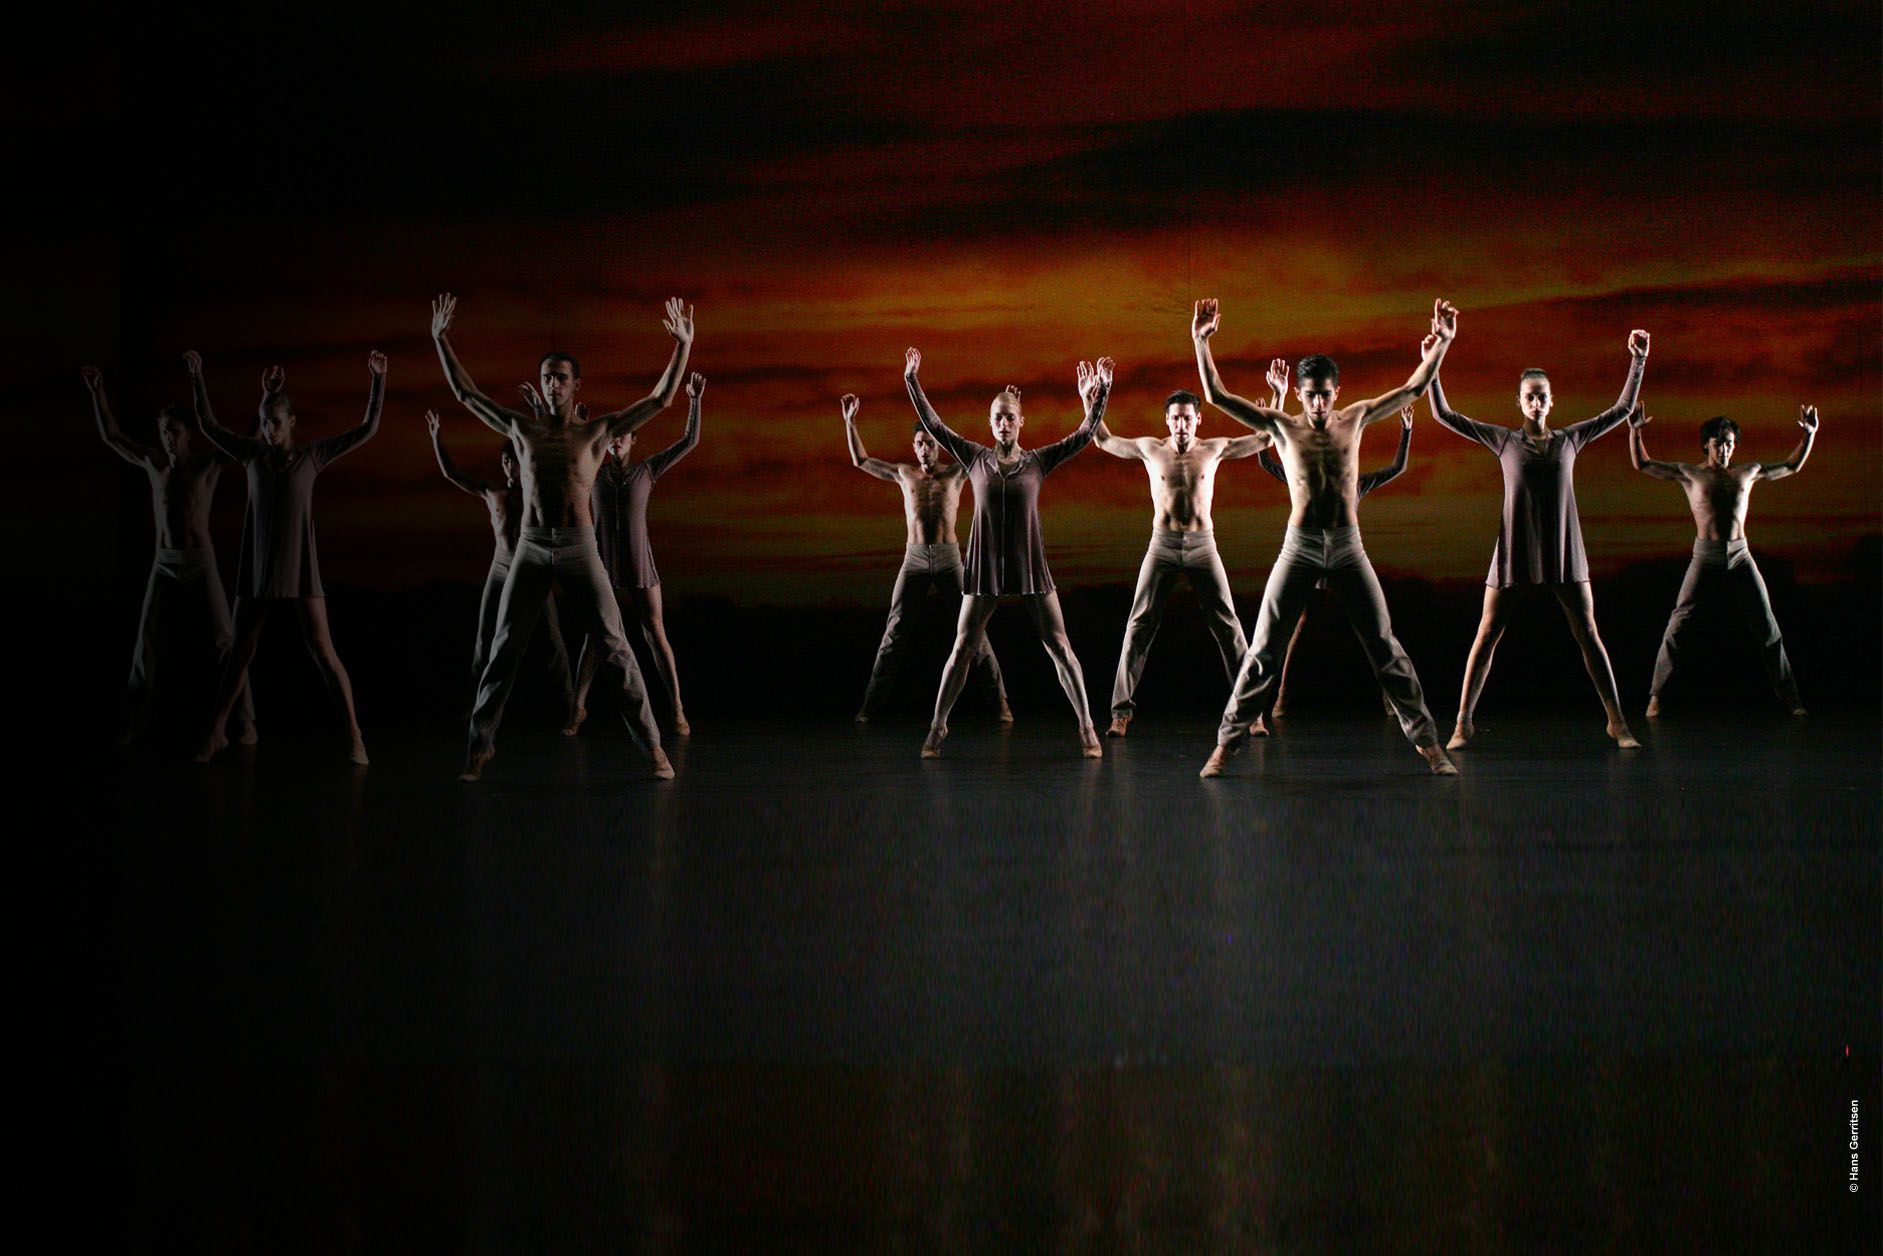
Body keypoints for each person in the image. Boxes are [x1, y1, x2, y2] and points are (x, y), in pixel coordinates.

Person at [1191, 298, 1458, 779]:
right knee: (1264, 650)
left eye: (1325, 395)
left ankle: (1429, 745)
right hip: (1300, 546)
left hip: (1349, 545)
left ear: (1337, 392)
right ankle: (1226, 745)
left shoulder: (1355, 417)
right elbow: (1216, 396)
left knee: (1384, 645)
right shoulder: (1281, 425)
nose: (1318, 404)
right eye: (1311, 395)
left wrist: (1442, 342)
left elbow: (1414, 388)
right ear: (1298, 394)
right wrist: (1200, 340)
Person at [431, 291, 693, 781]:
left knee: (615, 646)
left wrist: (683, 345)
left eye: (561, 378)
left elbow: (660, 400)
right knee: (504, 648)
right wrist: (440, 339)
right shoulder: (522, 430)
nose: (553, 384)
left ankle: (654, 749)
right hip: (531, 547)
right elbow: (467, 396)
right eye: (547, 377)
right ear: (541, 384)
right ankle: (478, 750)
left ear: (576, 386)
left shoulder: (597, 432)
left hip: (580, 548)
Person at [1426, 328, 1650, 749]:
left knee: (1588, 633)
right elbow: (1444, 415)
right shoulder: (1504, 440)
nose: (1536, 402)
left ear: (1551, 400)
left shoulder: (1570, 439)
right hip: (1516, 548)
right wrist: (1434, 361)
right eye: (1529, 396)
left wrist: (1638, 360)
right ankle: (1461, 724)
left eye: (1542, 396)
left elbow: (1621, 410)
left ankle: (1617, 723)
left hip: (1564, 547)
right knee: (1487, 634)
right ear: (1519, 401)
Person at [904, 348, 1110, 759]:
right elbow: (935, 425)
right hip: (984, 568)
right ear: (990, 422)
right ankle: (937, 729)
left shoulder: (1037, 462)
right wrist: (912, 380)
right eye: (997, 417)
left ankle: (1087, 728)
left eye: (1010, 417)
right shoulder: (974, 457)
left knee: (1059, 646)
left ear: (1020, 422)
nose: (1003, 424)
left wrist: (1101, 393)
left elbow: (1084, 434)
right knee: (962, 648)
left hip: (1029, 563)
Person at [186, 351, 382, 764]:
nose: (268, 429)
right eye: (264, 422)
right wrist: (198, 377)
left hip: (300, 566)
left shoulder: (313, 456)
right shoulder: (252, 454)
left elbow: (366, 429)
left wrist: (378, 380)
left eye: (275, 421)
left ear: (292, 421)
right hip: (258, 567)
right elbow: (208, 425)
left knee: (323, 651)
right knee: (240, 652)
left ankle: (354, 736)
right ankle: (217, 732)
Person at [85, 366, 254, 746]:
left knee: (225, 642)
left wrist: (265, 397)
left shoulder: (206, 465)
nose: (167, 438)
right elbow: (112, 436)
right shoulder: (154, 462)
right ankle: (134, 722)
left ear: (188, 433)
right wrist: (97, 392)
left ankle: (245, 721)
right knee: (145, 641)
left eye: (173, 432)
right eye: (163, 431)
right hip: (164, 562)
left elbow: (246, 443)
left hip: (200, 561)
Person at [1092, 380, 1270, 737]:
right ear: (1167, 421)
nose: (1181, 424)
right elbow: (1103, 440)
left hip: (1203, 545)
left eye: (1187, 418)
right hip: (1163, 545)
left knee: (1229, 626)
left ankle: (1251, 713)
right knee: (1139, 626)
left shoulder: (1214, 448)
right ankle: (1120, 713)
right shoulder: (1151, 448)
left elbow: (1265, 439)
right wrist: (1094, 400)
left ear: (1198, 420)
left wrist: (1276, 398)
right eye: (1175, 418)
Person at [1630, 406, 1816, 716]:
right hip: (1706, 555)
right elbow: (1643, 464)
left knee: (1767, 626)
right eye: (1718, 444)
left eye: (1729, 443)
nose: (1724, 449)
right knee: (1678, 626)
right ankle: (1656, 697)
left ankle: (1792, 699)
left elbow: (1791, 466)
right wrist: (1635, 431)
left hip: (1740, 555)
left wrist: (1809, 434)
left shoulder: (1748, 472)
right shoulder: (1691, 473)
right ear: (1707, 445)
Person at [842, 393, 1011, 725]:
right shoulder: (904, 474)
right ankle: (869, 706)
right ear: (914, 447)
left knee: (975, 632)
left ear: (938, 447)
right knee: (894, 635)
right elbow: (861, 461)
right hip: (915, 560)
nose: (924, 449)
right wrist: (850, 422)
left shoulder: (955, 474)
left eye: (930, 444)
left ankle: (1001, 705)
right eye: (920, 444)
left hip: (950, 560)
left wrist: (1004, 422)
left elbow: (993, 457)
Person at [1261, 384, 1415, 723]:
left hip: (1344, 553)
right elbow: (1267, 460)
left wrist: (1406, 431)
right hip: (1309, 550)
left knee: (1371, 630)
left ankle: (1391, 699)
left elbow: (1397, 468)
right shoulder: (1302, 474)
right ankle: (1281, 698)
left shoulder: (1358, 484)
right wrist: (1271, 414)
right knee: (1299, 625)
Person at [567, 374, 703, 738]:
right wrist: (578, 424)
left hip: (639, 561)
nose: (616, 440)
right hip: (604, 564)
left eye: (623, 434)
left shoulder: (647, 470)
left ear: (633, 439)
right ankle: (577, 709)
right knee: (595, 637)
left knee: (654, 632)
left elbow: (689, 441)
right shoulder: (594, 473)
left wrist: (694, 400)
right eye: (612, 435)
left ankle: (677, 708)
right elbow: (571, 451)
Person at [427, 413, 576, 722]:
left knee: (551, 638)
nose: (509, 466)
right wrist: (436, 438)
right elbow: (452, 473)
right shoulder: (493, 492)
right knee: (484, 638)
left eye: (513, 461)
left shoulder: (534, 493)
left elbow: (562, 470)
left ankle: (569, 705)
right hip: (500, 568)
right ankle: (474, 703)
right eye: (505, 462)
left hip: (531, 569)